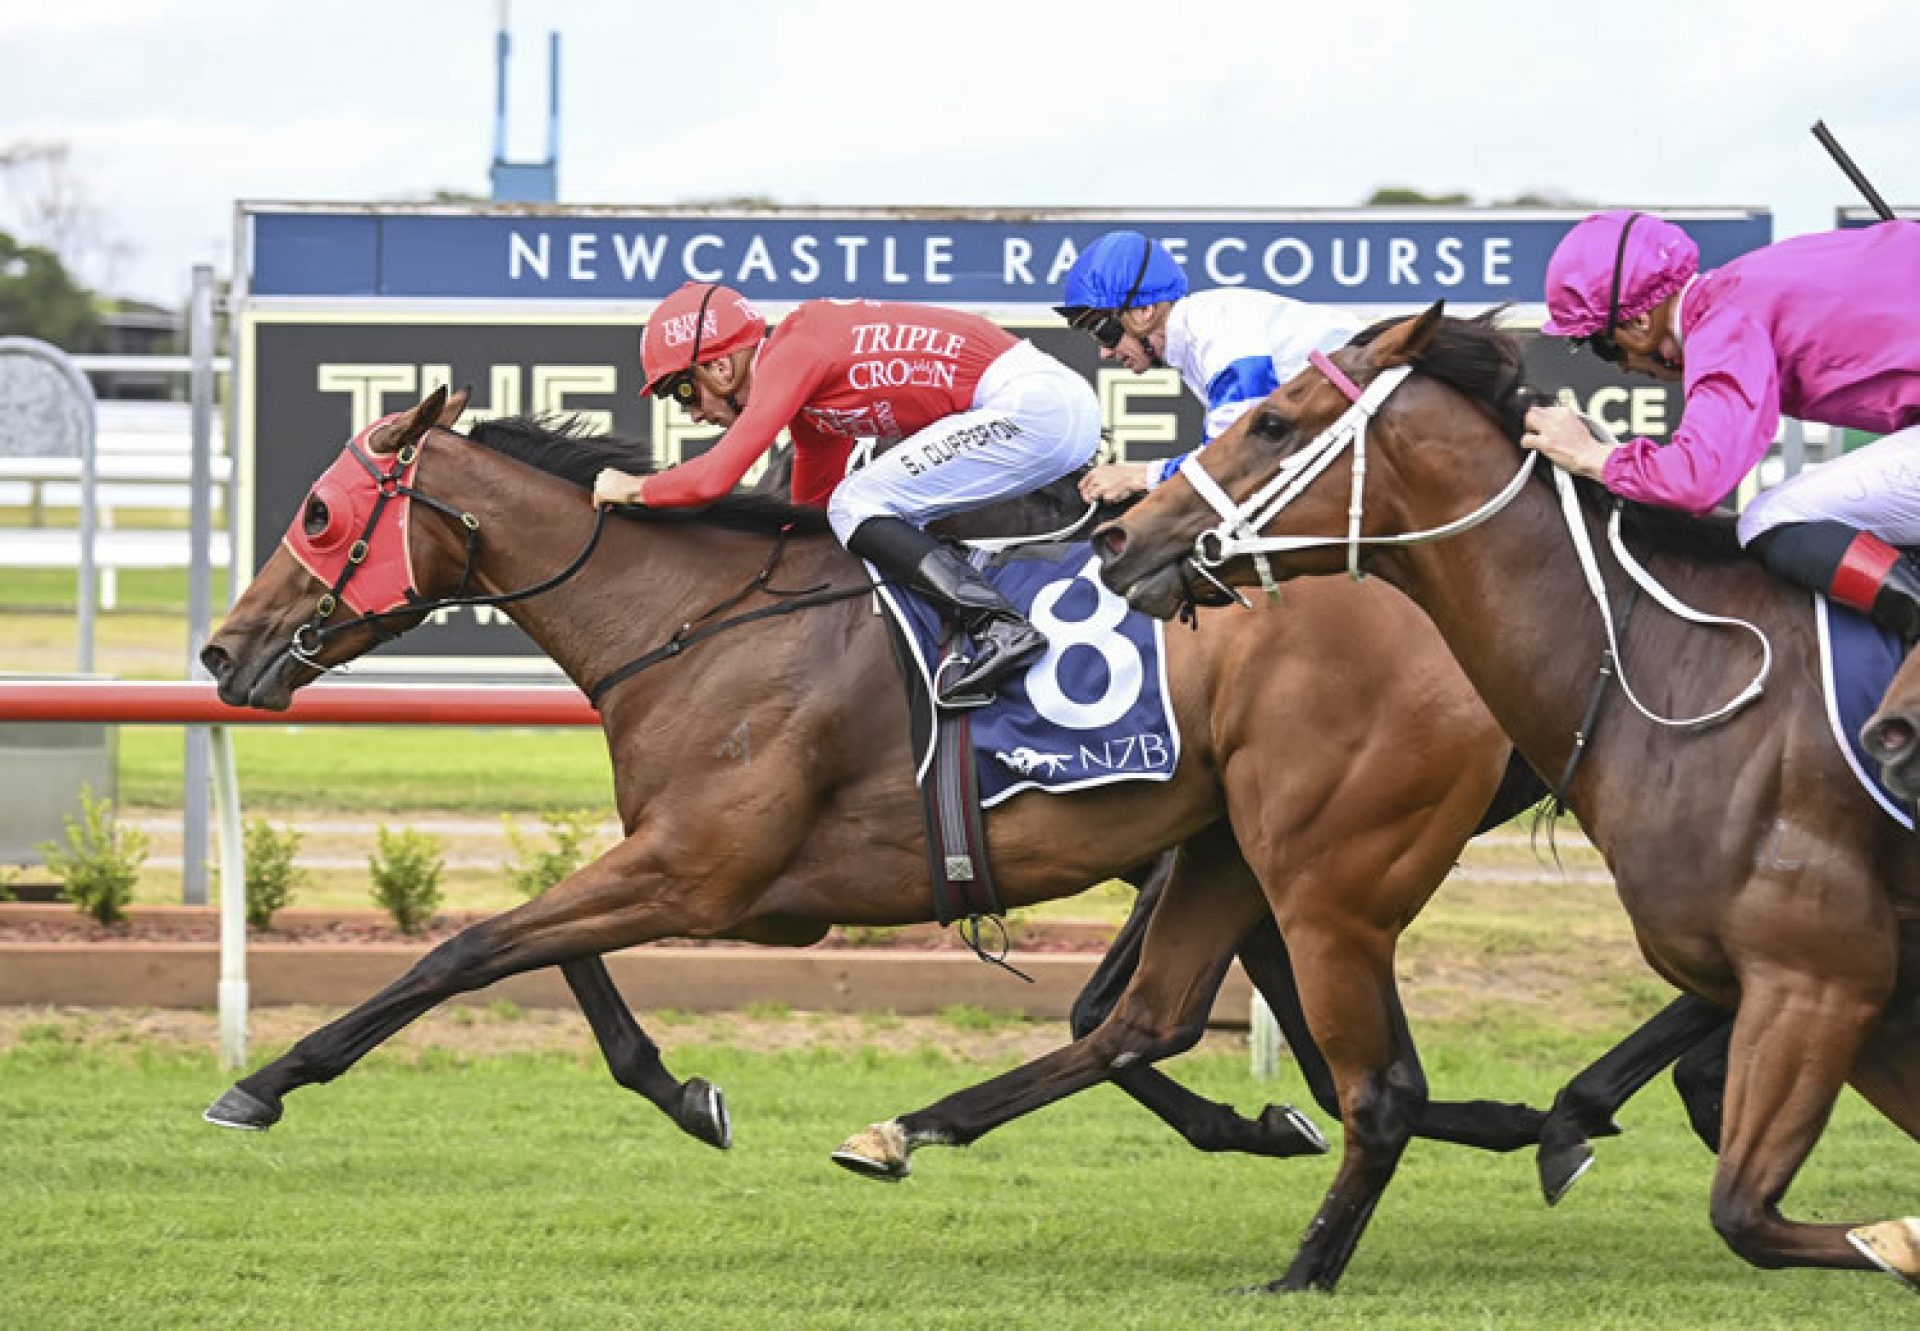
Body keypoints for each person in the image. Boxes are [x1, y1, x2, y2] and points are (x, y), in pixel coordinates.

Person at [592, 282, 1102, 700]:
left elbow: (713, 479)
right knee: (866, 513)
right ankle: (945, 641)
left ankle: (999, 626)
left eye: (681, 391)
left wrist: (634, 487)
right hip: (1048, 410)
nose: (691, 413)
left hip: (1034, 407)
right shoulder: (811, 394)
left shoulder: (794, 353)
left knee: (859, 503)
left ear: (720, 368)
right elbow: (810, 513)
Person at [1520, 209, 1920, 642]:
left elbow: (1697, 479)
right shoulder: (1756, 279)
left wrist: (1593, 456)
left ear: (1639, 323)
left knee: (1770, 518)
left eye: (1603, 347)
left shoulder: (1724, 322)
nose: (1622, 368)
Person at [1055, 230, 1362, 504]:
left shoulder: (1216, 329)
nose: (1105, 352)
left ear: (1145, 310)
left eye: (1103, 331)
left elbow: (1240, 458)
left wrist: (1139, 476)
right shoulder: (1200, 335)